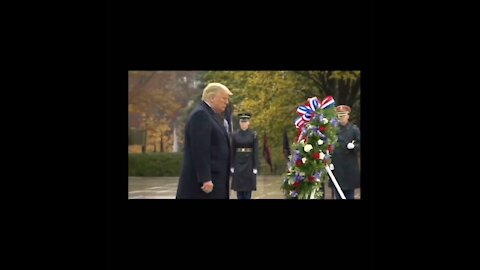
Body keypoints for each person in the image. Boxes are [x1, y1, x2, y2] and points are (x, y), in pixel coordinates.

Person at [176, 83, 233, 199]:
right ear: (212, 98)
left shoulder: (211, 115)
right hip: (204, 187)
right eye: (224, 98)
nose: (226, 102)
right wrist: (205, 178)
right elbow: (200, 150)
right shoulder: (201, 115)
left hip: (216, 181)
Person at [330, 105, 361, 199]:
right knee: (338, 195)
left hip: (349, 168)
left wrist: (354, 147)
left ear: (348, 116)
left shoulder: (354, 129)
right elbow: (327, 146)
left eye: (343, 115)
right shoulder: (332, 131)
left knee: (349, 195)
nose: (341, 118)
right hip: (337, 167)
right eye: (339, 116)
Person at [230, 113, 259, 199]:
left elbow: (255, 151)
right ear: (239, 123)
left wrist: (255, 166)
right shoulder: (235, 135)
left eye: (245, 122)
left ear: (248, 123)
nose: (243, 123)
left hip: (249, 163)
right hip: (238, 163)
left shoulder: (253, 135)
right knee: (239, 191)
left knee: (248, 190)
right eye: (242, 122)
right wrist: (232, 165)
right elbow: (232, 151)